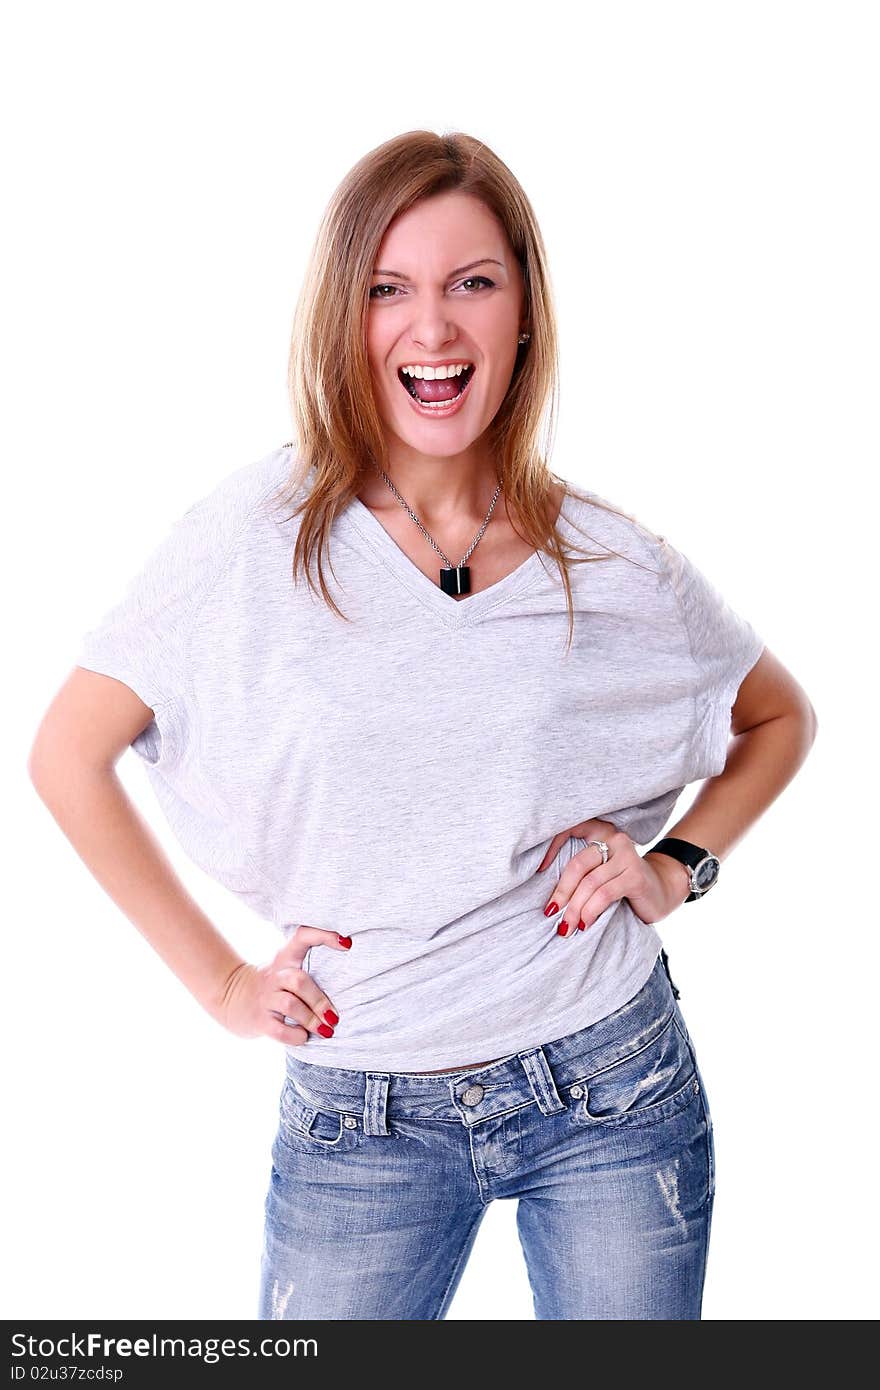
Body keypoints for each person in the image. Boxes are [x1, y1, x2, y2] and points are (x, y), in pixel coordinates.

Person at [28, 129, 817, 1321]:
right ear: (346, 319)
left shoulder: (611, 560)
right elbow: (65, 754)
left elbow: (776, 715)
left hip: (608, 1079)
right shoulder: (253, 535)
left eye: (471, 284)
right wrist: (223, 986)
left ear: (523, 315)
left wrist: (673, 867)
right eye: (388, 290)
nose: (431, 329)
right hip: (363, 1112)